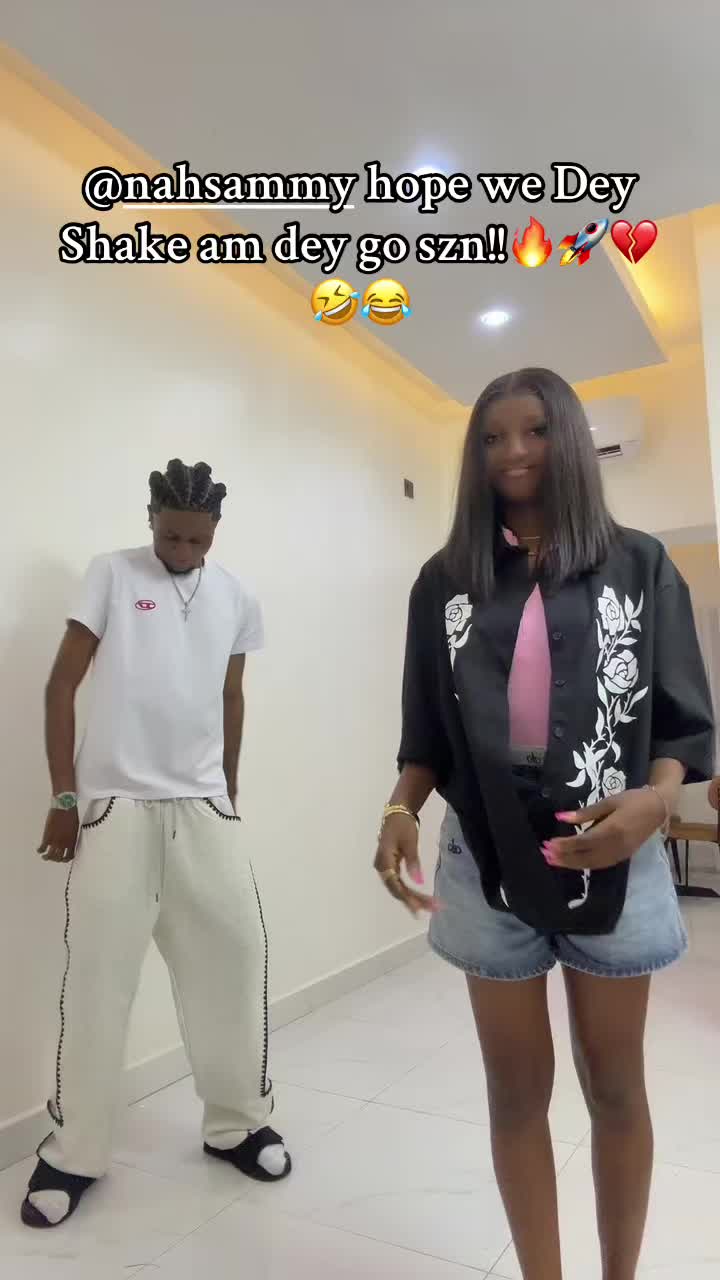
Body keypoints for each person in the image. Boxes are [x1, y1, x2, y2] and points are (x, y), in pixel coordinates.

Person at [374, 370, 714, 1280]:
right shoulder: (444, 581)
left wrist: (656, 803)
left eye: (533, 431)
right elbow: (425, 736)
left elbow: (682, 723)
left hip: (618, 850)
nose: (514, 452)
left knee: (616, 1089)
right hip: (483, 856)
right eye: (492, 437)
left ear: (568, 437)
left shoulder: (640, 564)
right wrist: (401, 807)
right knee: (515, 1094)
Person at [23, 459, 290, 1229]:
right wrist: (64, 796)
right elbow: (60, 684)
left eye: (197, 539)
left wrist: (227, 791)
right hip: (116, 807)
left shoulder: (235, 595)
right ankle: (74, 1151)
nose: (182, 550)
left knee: (234, 960)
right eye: (171, 536)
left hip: (202, 806)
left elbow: (231, 694)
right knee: (99, 980)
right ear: (151, 521)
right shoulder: (111, 573)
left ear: (215, 532)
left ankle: (236, 1124)